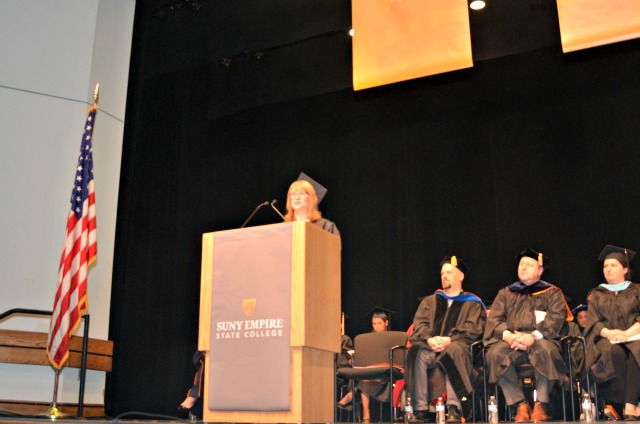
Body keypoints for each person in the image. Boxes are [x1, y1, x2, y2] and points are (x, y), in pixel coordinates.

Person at [178, 178, 340, 414]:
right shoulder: (280, 230)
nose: (296, 196)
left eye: (302, 193)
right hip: (278, 305)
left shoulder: (326, 226)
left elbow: (332, 264)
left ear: (312, 198)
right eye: (292, 193)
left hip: (310, 305)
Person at [484, 248, 569, 422]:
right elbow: (494, 319)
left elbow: (556, 318)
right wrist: (508, 335)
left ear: (540, 270)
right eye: (521, 264)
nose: (523, 267)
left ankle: (541, 404)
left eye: (529, 265)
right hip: (511, 340)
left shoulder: (552, 293)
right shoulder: (506, 293)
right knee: (494, 354)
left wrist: (533, 337)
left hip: (540, 338)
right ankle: (519, 404)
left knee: (547, 350)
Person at [406, 255, 486, 423]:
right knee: (415, 352)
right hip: (432, 348)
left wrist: (449, 340)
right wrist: (429, 339)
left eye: (449, 272)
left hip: (458, 349)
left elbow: (473, 329)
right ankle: (420, 409)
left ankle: (455, 408)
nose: (444, 276)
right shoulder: (430, 301)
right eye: (442, 273)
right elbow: (419, 325)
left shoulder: (473, 303)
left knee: (453, 349)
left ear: (461, 276)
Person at [584, 245, 640, 420]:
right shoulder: (597, 294)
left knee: (636, 350)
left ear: (625, 269)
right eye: (605, 266)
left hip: (635, 336)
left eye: (613, 265)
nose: (608, 269)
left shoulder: (637, 290)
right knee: (614, 351)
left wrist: (626, 334)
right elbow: (593, 322)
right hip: (607, 338)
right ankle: (632, 405)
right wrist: (611, 334)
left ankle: (628, 407)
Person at [337, 308, 392, 422]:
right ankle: (365, 415)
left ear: (386, 323)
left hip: (385, 371)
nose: (376, 326)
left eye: (379, 323)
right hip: (370, 371)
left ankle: (354, 398)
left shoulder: (392, 337)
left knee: (364, 375)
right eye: (374, 324)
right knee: (363, 374)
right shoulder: (368, 338)